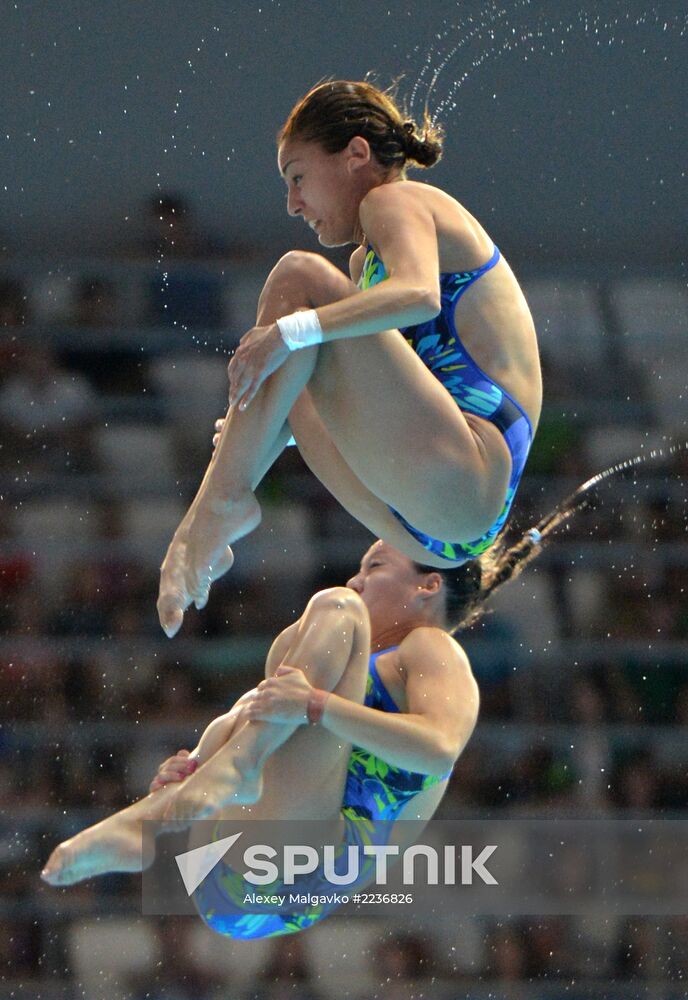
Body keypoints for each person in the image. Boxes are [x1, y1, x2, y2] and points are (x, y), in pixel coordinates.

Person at [41, 474, 593, 940]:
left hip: (300, 873)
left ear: (428, 586)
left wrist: (317, 705)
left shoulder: (433, 650)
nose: (357, 577)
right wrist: (197, 764)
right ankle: (183, 798)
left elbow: (440, 748)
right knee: (295, 651)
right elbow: (262, 713)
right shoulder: (340, 664)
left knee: (335, 611)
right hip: (226, 870)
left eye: (375, 567)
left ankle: (185, 800)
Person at [157, 79, 542, 637]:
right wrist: (263, 430)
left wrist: (291, 331)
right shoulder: (366, 264)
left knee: (298, 277)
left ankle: (213, 513)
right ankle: (223, 503)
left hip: (471, 470)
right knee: (285, 382)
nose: (293, 204)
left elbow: (420, 294)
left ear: (356, 154)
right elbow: (389, 396)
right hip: (431, 520)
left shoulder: (398, 201)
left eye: (297, 177)